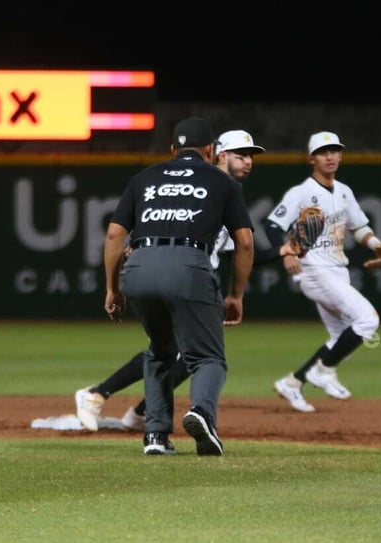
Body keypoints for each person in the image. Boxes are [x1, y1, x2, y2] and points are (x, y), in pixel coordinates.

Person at [77, 129, 294, 432]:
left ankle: (140, 413)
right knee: (180, 352)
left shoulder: (221, 187)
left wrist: (280, 251)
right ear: (218, 152)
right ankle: (100, 394)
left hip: (196, 278)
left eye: (251, 156)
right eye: (241, 155)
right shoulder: (215, 184)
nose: (248, 162)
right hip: (187, 275)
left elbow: (242, 252)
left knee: (177, 354)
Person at [103, 117, 254, 455]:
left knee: (159, 350)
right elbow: (244, 243)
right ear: (210, 150)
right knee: (208, 356)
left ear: (172, 149)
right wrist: (236, 294)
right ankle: (201, 413)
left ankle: (155, 436)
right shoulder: (221, 181)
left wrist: (112, 289)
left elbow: (114, 234)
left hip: (139, 267)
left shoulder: (144, 177)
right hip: (188, 266)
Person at [270, 131, 381, 413]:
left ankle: (294, 381)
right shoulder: (301, 193)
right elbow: (272, 226)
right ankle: (323, 370)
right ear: (311, 158)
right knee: (367, 320)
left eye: (335, 150)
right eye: (323, 151)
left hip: (337, 270)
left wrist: (376, 245)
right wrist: (287, 252)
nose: (330, 156)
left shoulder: (344, 191)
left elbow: (359, 227)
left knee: (341, 338)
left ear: (340, 155)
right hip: (313, 270)